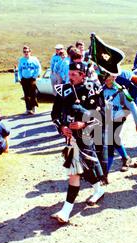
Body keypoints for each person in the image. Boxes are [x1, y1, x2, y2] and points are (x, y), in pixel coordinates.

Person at [50, 62, 105, 224]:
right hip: (70, 138)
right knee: (81, 170)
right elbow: (54, 113)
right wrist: (62, 127)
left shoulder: (92, 90)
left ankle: (66, 211)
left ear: (83, 75)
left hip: (86, 136)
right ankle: (99, 190)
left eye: (75, 74)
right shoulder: (63, 90)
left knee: (77, 171)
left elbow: (101, 114)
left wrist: (84, 124)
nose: (71, 77)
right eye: (70, 73)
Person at [101, 73, 137, 180]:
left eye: (108, 76)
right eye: (105, 77)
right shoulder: (101, 89)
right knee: (114, 139)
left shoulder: (121, 91)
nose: (105, 79)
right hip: (105, 118)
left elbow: (133, 107)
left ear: (114, 78)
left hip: (118, 118)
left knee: (110, 142)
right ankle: (125, 157)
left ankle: (105, 174)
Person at [17, 45, 41, 115]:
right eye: (24, 52)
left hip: (32, 79)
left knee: (33, 94)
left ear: (30, 52)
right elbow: (19, 69)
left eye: (27, 51)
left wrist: (35, 76)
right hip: (24, 79)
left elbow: (38, 67)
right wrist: (20, 77)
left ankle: (34, 108)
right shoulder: (21, 60)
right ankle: (28, 109)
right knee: (26, 95)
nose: (26, 53)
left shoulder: (34, 59)